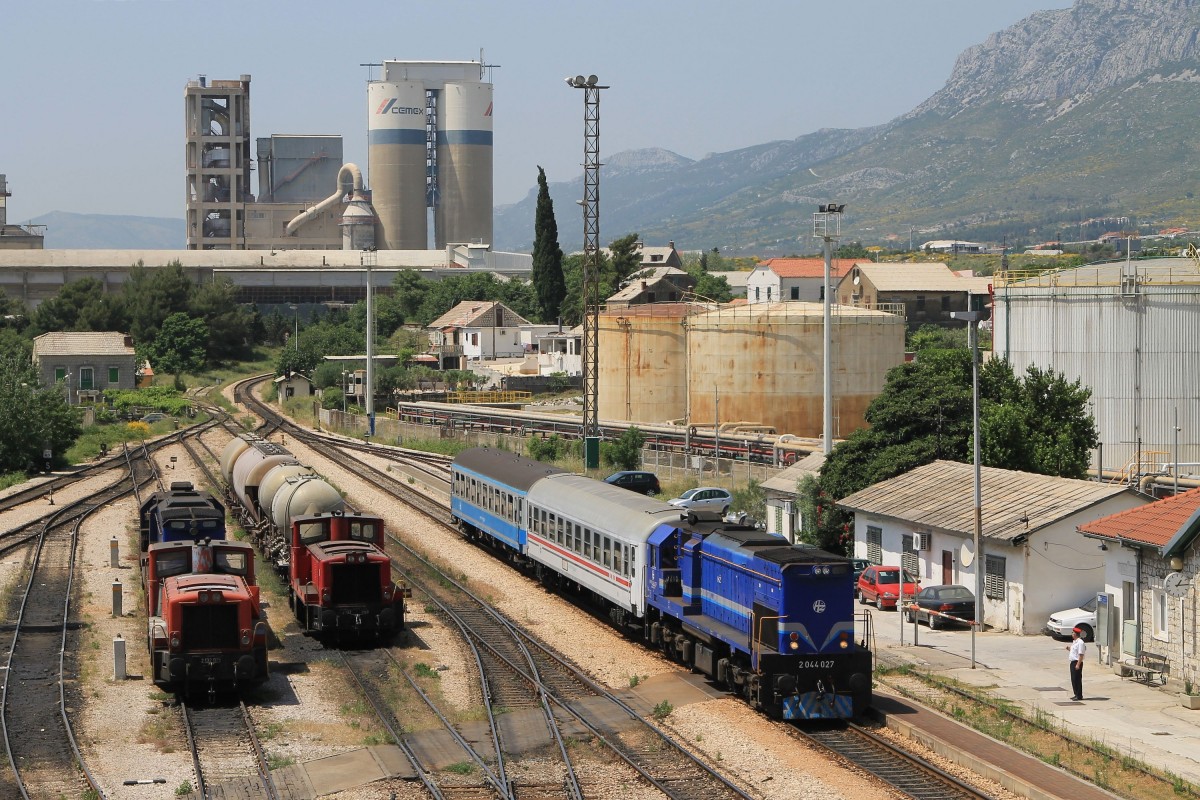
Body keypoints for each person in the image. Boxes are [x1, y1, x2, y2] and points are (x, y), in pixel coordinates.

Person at [1068, 626, 1086, 700]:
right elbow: (1074, 652)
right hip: (1072, 662)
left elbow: (1081, 654)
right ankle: (1076, 694)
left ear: (1075, 634)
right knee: (1073, 679)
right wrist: (1069, 649)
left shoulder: (1080, 643)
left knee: (1077, 679)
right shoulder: (1075, 642)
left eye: (1073, 633)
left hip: (1077, 662)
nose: (1072, 634)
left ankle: (1079, 695)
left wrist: (1078, 664)